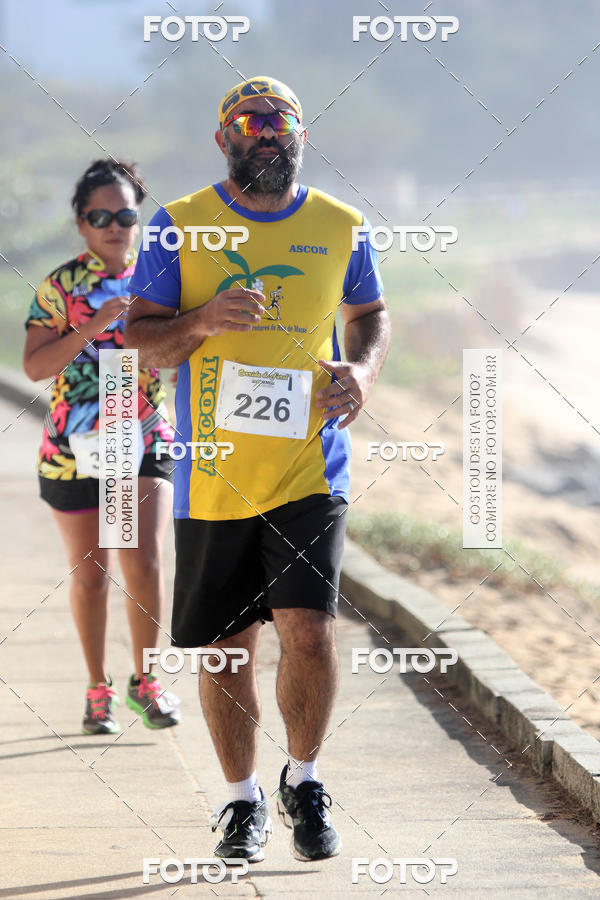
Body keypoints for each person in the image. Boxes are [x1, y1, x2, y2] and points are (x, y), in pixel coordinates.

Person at [125, 76, 390, 862]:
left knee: (309, 631)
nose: (268, 132)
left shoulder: (340, 225)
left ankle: (304, 780)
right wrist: (204, 319)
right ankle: (241, 802)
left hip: (311, 469)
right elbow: (140, 340)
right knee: (227, 650)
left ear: (302, 135)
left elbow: (370, 314)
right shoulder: (179, 226)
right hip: (212, 475)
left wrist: (363, 372)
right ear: (224, 140)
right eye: (250, 122)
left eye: (282, 121)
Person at [23, 159, 180, 735]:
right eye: (101, 217)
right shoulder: (61, 286)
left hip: (142, 432)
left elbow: (187, 341)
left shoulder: (161, 278)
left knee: (142, 556)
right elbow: (34, 366)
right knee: (92, 574)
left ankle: (147, 680)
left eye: (126, 216)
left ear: (139, 219)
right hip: (76, 445)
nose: (115, 226)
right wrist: (90, 327)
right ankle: (98, 688)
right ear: (81, 223)